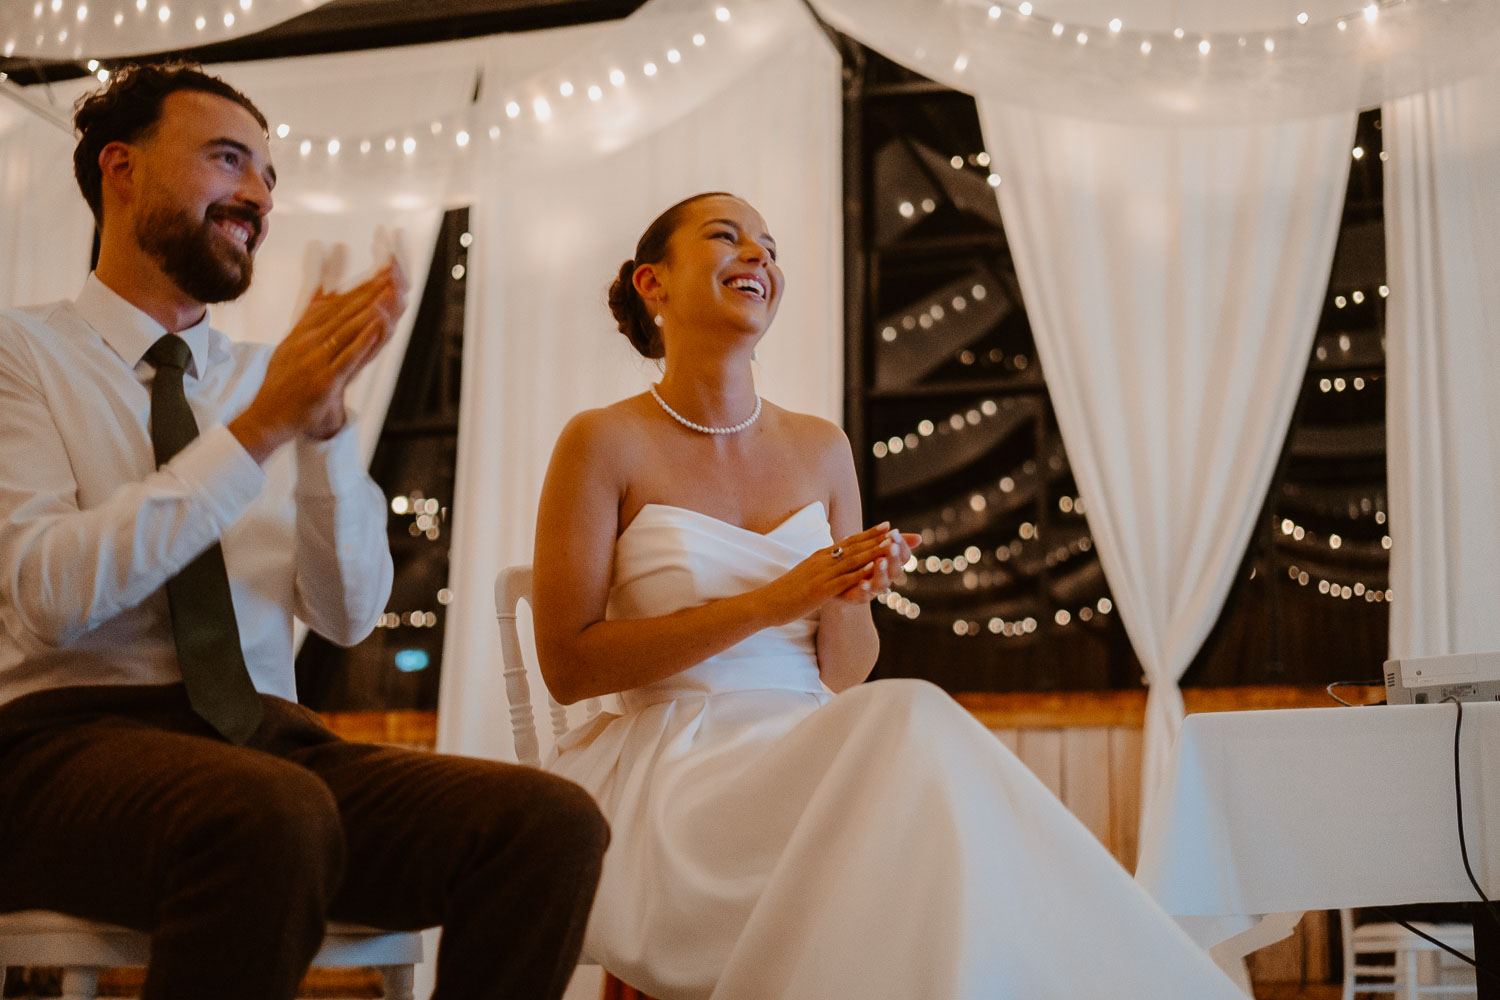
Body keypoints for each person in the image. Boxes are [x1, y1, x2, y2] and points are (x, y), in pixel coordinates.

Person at [532, 191, 1248, 999]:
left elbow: (845, 673)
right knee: (912, 733)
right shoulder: (601, 440)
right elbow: (568, 665)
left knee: (908, 751)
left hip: (809, 743)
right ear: (652, 284)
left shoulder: (820, 446)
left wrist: (844, 592)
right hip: (680, 764)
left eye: (770, 247)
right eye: (727, 238)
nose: (759, 257)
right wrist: (775, 600)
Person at [0, 63, 607, 1000]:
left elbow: (348, 612)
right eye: (228, 160)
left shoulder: (271, 378)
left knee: (550, 823)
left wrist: (321, 432)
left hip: (268, 749)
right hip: (55, 753)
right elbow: (48, 597)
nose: (257, 196)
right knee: (267, 813)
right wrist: (258, 431)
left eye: (269, 178)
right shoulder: (20, 353)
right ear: (120, 168)